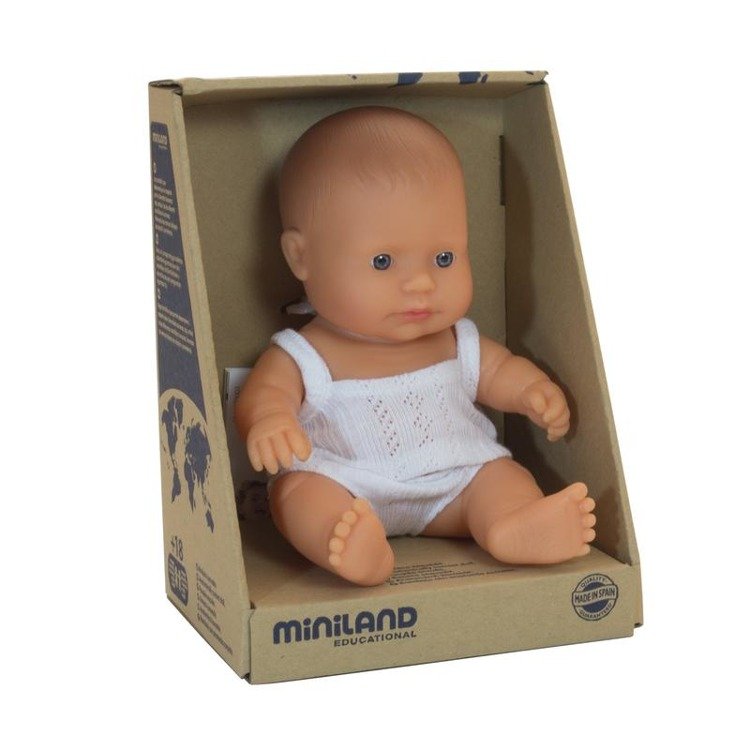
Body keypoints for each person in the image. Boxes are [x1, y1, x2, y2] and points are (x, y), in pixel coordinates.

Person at [234, 106, 595, 586]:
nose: (422, 283)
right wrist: (269, 420)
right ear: (301, 257)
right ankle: (345, 546)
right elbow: (265, 394)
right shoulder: (305, 354)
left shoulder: (454, 339)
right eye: (383, 262)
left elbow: (498, 371)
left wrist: (532, 391)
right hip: (346, 484)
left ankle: (511, 525)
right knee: (295, 494)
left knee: (501, 479)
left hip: (456, 484)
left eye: (444, 258)